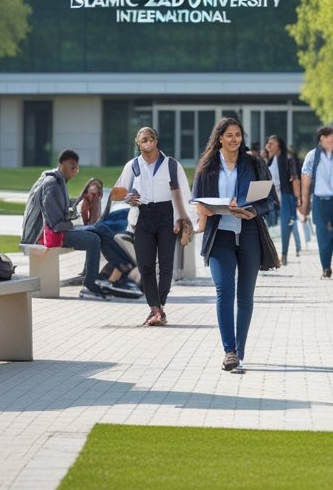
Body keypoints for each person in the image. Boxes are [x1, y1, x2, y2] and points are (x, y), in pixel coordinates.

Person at [193, 117, 276, 373]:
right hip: (220, 237)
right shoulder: (207, 167)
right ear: (219, 137)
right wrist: (211, 208)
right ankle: (229, 351)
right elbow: (198, 202)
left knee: (245, 296)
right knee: (224, 292)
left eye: (238, 134)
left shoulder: (253, 163)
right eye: (229, 135)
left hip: (249, 232)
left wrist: (251, 209)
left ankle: (239, 351)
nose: (234, 139)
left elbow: (269, 198)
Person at [22, 149, 134, 300]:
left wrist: (73, 212)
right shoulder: (52, 184)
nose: (75, 170)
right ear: (61, 164)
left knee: (99, 231)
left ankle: (121, 270)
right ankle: (96, 282)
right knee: (95, 237)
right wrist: (73, 220)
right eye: (71, 166)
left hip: (61, 229)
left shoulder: (59, 181)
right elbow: (54, 221)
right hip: (52, 235)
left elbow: (61, 211)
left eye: (76, 167)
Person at [113, 126, 192, 326]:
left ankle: (159, 307)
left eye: (150, 138)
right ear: (137, 143)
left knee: (165, 266)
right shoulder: (132, 166)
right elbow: (117, 193)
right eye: (143, 140)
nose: (147, 142)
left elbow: (184, 193)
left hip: (167, 216)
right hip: (143, 216)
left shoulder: (171, 165)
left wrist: (180, 219)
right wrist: (127, 198)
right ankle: (155, 309)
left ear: (156, 140)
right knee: (145, 266)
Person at [301, 126, 333, 279]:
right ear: (321, 138)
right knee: (323, 236)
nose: (332, 140)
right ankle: (326, 268)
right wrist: (304, 203)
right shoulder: (312, 156)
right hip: (319, 201)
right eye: (328, 137)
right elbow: (306, 179)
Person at [265, 134, 302, 264]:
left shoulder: (287, 157)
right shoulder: (271, 159)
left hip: (288, 196)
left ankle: (286, 253)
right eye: (268, 144)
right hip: (275, 196)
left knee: (287, 225)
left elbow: (295, 178)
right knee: (288, 223)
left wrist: (298, 199)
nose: (269, 146)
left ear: (279, 145)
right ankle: (289, 250)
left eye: (272, 144)